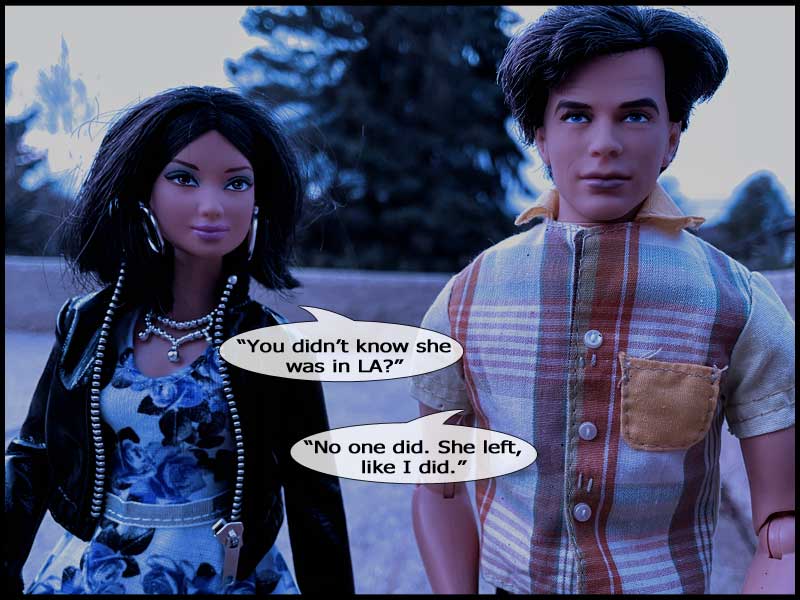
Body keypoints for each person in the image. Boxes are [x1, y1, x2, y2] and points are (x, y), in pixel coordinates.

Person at [410, 6, 794, 595]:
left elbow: (783, 530)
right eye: (576, 115)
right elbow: (438, 487)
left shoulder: (736, 301)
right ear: (541, 136)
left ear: (671, 138)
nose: (605, 144)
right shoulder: (469, 296)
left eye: (635, 115)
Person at [5, 86, 354, 594]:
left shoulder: (272, 345)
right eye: (184, 178)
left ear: (260, 200)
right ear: (142, 190)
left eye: (237, 183)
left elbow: (313, 492)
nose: (211, 206)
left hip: (220, 571)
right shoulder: (88, 323)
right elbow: (32, 456)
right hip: (102, 569)